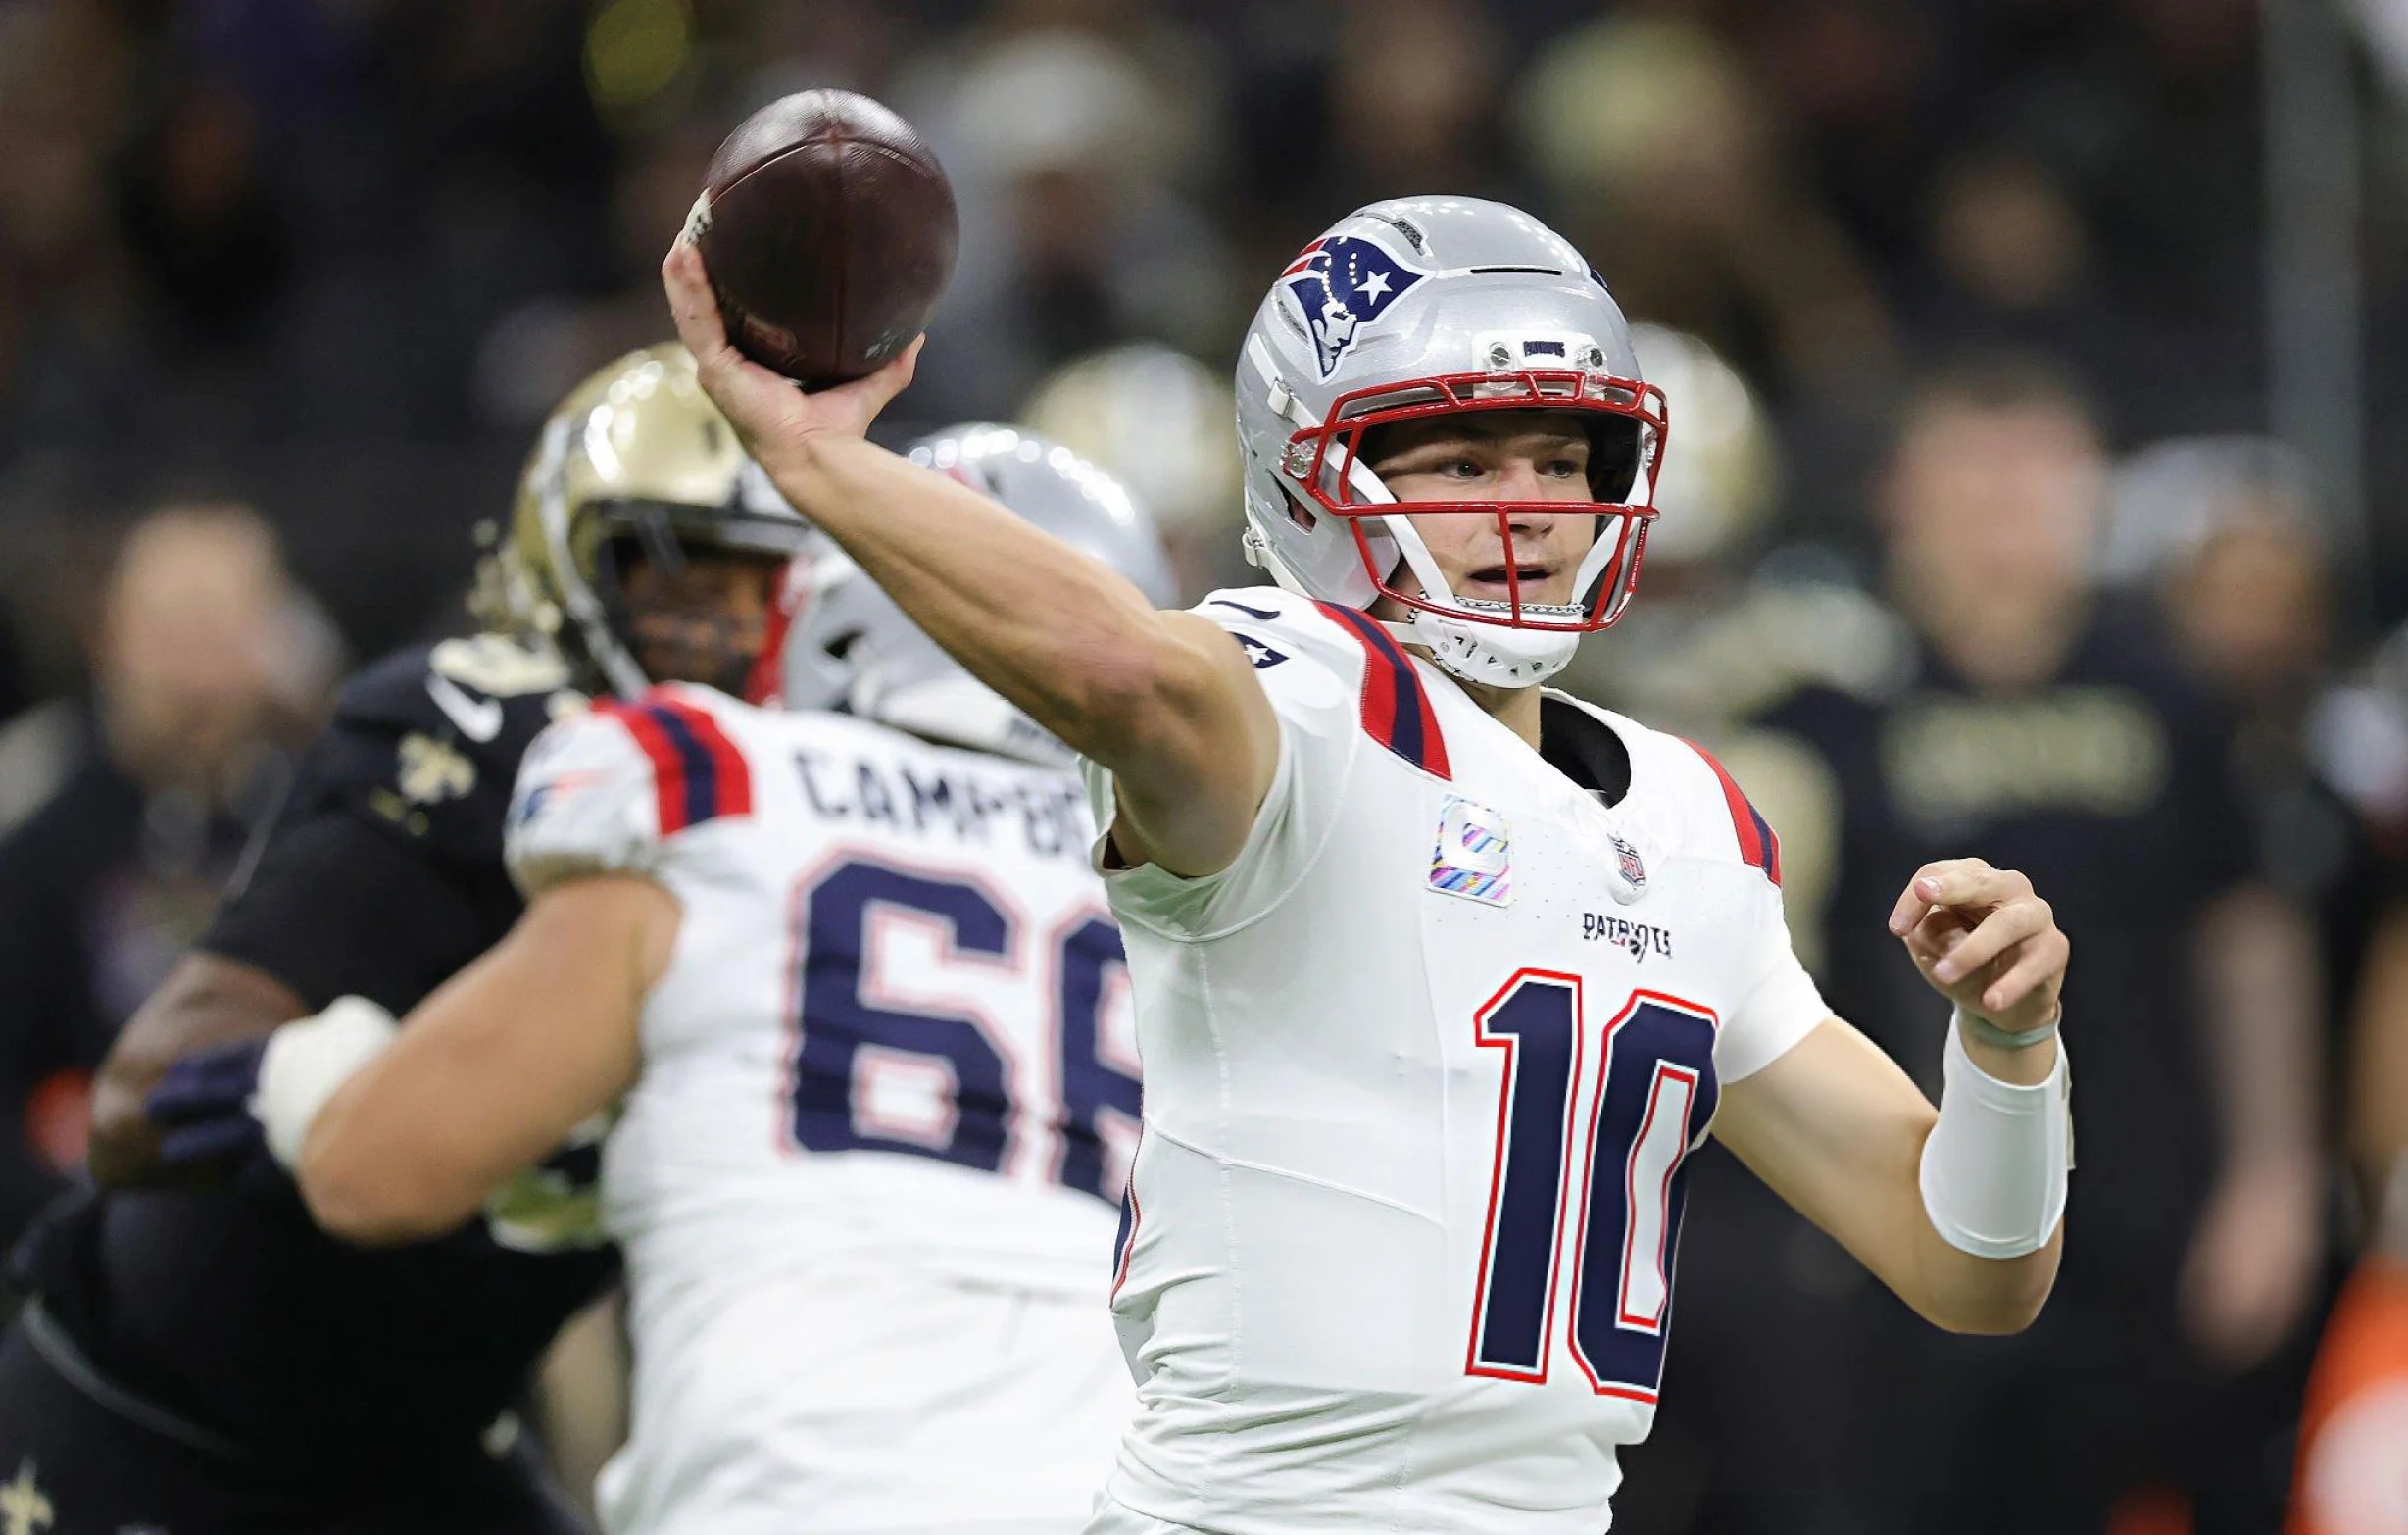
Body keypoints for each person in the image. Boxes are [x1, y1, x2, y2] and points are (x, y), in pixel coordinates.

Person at [663, 196, 2075, 1533]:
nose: (1526, 505)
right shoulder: (1295, 705)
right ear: (1312, 480)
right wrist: (821, 464)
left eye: (1562, 457)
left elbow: (1967, 1265)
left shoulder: (1689, 821)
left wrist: (2009, 1050)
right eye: (1461, 461)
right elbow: (1126, 672)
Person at [148, 425, 1168, 1535]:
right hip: (1111, 1497)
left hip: (792, 1485)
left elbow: (378, 1173)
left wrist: (313, 1073)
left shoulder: (717, 784)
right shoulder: (1185, 907)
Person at [0, 343, 809, 1535]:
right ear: (568, 556)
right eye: (672, 573)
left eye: (760, 584)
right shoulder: (480, 738)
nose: (722, 628)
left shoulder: (801, 831)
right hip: (160, 1427)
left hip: (422, 1442)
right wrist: (327, 1087)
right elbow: (142, 1103)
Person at [1738, 361, 2324, 1533]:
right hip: (1901, 1227)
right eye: (1973, 475)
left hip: (2151, 1226)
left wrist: (2276, 1179)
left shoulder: (2173, 701)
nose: (2005, 510)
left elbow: (2250, 941)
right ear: (1901, 494)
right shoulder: (1823, 714)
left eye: (2035, 474)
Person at [0, 505, 320, 1251]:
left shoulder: (323, 818)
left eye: (221, 631)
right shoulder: (32, 819)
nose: (195, 676)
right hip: (67, 1231)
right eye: (172, 632)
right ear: (108, 638)